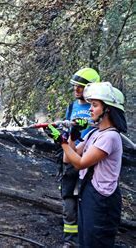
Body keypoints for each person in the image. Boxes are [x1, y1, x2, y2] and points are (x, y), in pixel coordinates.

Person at [45, 82, 126, 247]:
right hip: (88, 193)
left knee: (95, 243)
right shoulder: (94, 133)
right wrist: (71, 137)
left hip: (103, 200)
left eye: (95, 105)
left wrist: (61, 141)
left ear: (107, 110)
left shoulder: (110, 137)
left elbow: (80, 163)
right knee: (85, 240)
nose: (90, 109)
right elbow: (68, 159)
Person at [60, 67, 100, 247]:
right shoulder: (72, 106)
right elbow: (67, 130)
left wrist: (87, 123)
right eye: (75, 86)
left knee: (87, 200)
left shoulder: (98, 107)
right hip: (71, 159)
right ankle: (70, 240)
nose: (76, 90)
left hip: (90, 162)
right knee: (68, 198)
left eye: (80, 87)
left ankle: (86, 238)